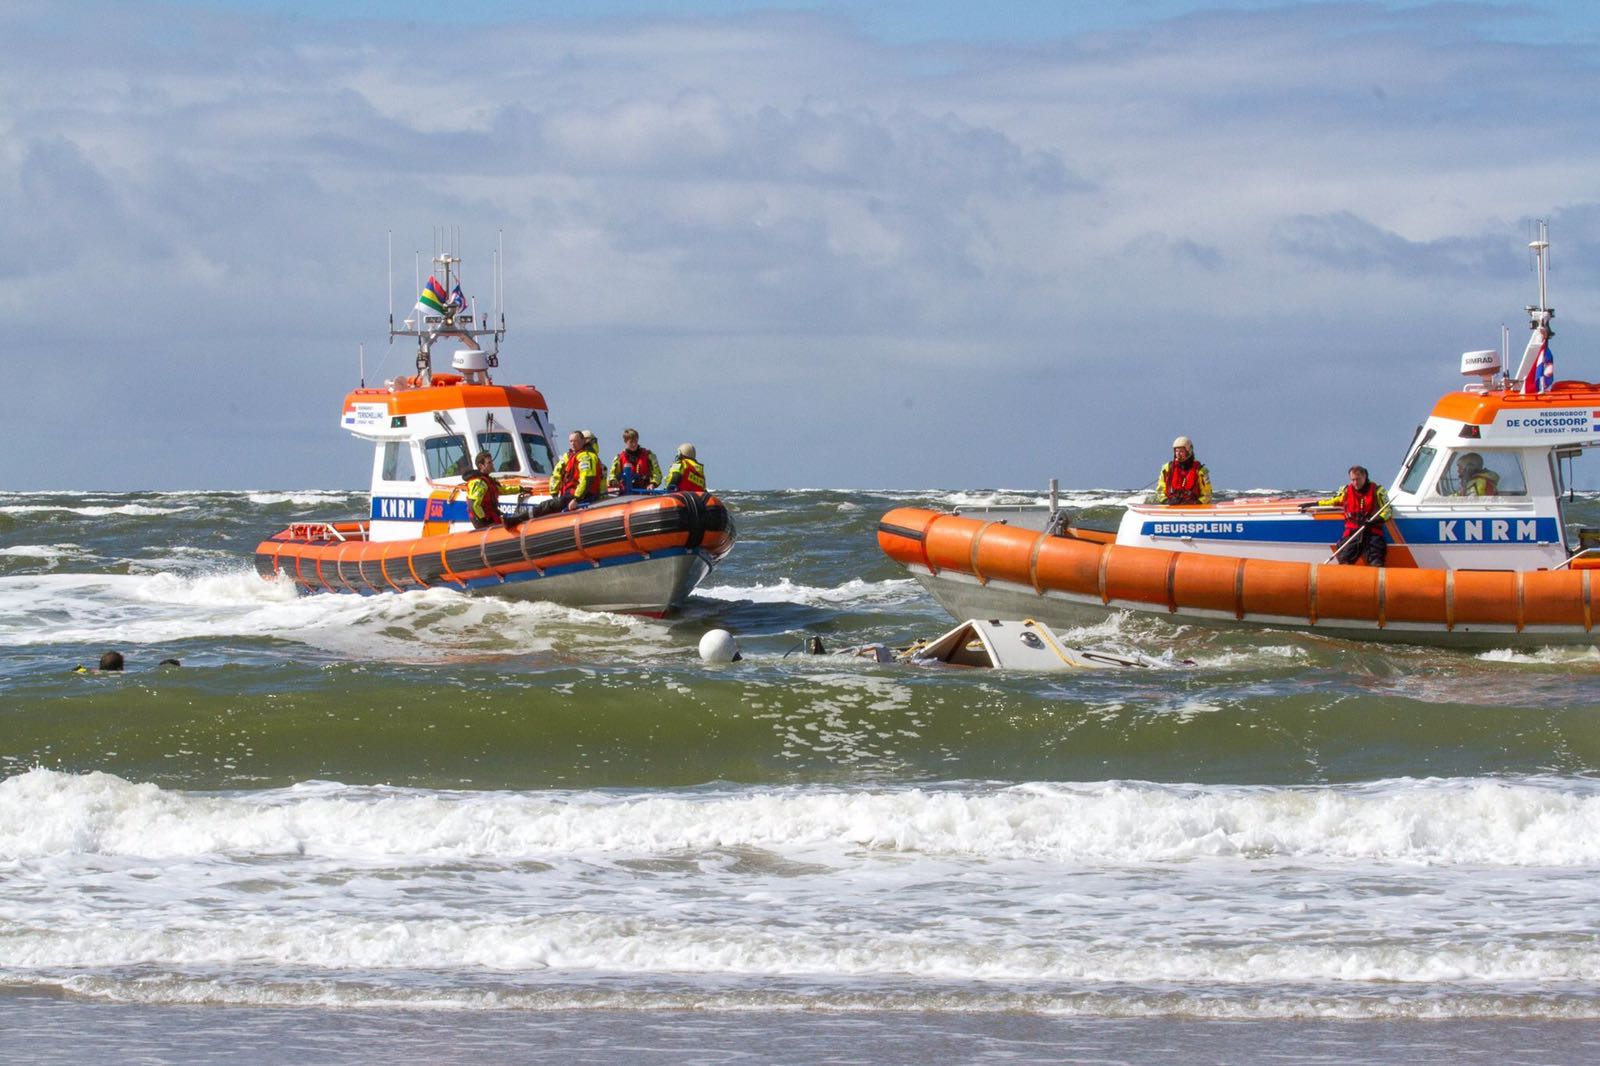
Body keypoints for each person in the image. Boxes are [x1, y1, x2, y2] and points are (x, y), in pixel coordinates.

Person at [1302, 464, 1390, 566]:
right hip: (1352, 532)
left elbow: (1387, 511)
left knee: (1376, 561)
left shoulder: (1378, 491)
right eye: (1353, 480)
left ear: (1365, 476)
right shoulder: (1346, 491)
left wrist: (1375, 520)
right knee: (1344, 558)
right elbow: (1334, 500)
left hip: (1371, 532)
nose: (1355, 483)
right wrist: (1315, 504)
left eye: (1358, 479)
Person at [529, 430, 604, 516]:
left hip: (579, 496)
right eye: (571, 441)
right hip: (580, 496)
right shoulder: (585, 457)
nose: (573, 443)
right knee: (547, 506)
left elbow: (586, 479)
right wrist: (555, 494)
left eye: (575, 441)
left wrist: (576, 498)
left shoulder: (584, 457)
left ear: (583, 441)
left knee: (546, 506)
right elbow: (557, 474)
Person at [463, 450, 529, 530]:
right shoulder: (478, 483)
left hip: (492, 515)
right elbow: (474, 505)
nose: (492, 465)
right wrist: (484, 520)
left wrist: (520, 489)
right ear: (481, 465)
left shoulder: (488, 481)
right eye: (489, 463)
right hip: (485, 520)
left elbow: (502, 490)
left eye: (492, 462)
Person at [1156, 436, 1213, 505]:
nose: (1178, 454)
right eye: (1176, 451)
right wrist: (1166, 501)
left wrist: (1197, 502)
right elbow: (1160, 491)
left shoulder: (1200, 470)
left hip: (1193, 508)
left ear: (1189, 451)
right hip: (1171, 506)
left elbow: (1207, 494)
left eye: (1181, 451)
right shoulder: (1167, 468)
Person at [609, 428, 662, 493]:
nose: (634, 444)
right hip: (624, 493)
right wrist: (613, 481)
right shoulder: (619, 458)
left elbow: (657, 474)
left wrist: (653, 484)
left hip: (644, 492)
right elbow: (612, 475)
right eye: (631, 442)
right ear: (625, 441)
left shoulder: (649, 455)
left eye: (636, 441)